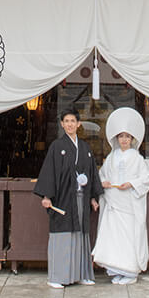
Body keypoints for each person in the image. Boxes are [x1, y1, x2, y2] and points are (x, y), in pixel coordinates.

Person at [33, 108, 103, 288]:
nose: (70, 124)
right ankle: (57, 277)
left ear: (78, 124)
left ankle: (81, 274)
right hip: (63, 198)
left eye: (73, 121)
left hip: (81, 198)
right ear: (62, 124)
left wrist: (94, 197)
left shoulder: (86, 148)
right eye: (67, 121)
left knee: (81, 234)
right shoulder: (57, 146)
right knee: (63, 235)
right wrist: (47, 196)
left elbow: (92, 173)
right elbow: (50, 172)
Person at [91, 107, 149, 284]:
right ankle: (116, 269)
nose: (124, 140)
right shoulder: (111, 157)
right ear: (116, 139)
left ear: (132, 139)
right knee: (114, 237)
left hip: (129, 203)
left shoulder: (137, 158)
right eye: (121, 136)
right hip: (113, 203)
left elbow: (146, 178)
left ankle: (131, 272)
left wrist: (131, 184)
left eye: (127, 136)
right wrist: (104, 183)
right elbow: (103, 175)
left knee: (128, 236)